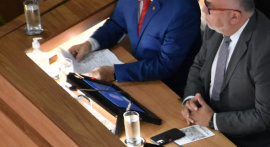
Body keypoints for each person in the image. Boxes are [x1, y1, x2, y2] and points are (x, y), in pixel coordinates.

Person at [181, 0, 270, 147]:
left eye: (210, 6)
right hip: (206, 123)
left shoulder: (269, 52)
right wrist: (191, 99)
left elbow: (264, 117)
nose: (204, 9)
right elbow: (199, 66)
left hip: (245, 141)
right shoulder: (217, 27)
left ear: (234, 16)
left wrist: (213, 120)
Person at [67, 0, 201, 94]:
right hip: (136, 72)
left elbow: (165, 65)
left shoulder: (184, 10)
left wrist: (114, 72)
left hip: (169, 87)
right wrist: (90, 44)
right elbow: (117, 23)